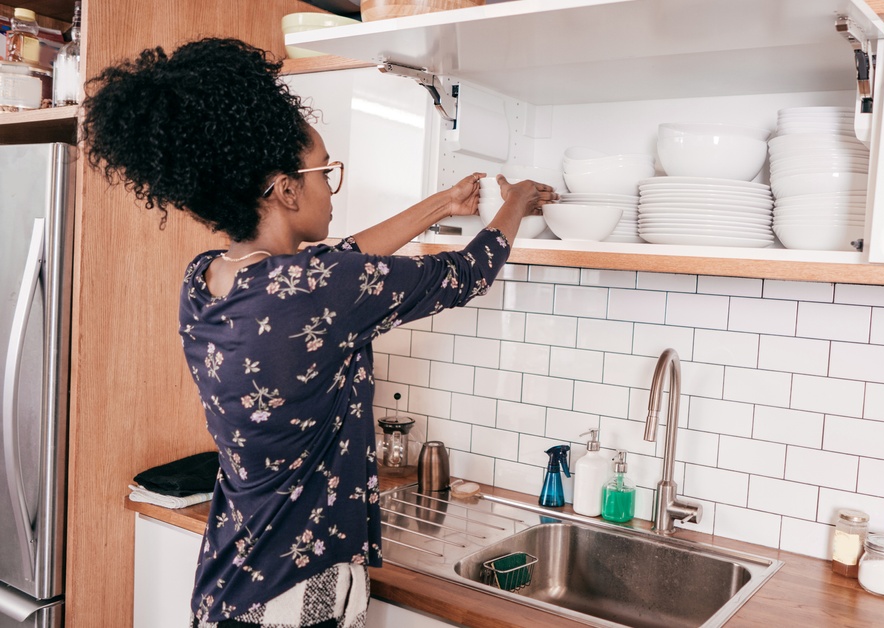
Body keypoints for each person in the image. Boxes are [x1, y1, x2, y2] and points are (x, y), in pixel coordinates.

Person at [81, 37, 555, 628]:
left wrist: (441, 203)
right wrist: (513, 203)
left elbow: (342, 263)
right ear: (285, 188)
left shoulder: (206, 277)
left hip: (230, 582)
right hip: (297, 597)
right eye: (325, 173)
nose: (332, 187)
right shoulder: (317, 286)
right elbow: (462, 274)